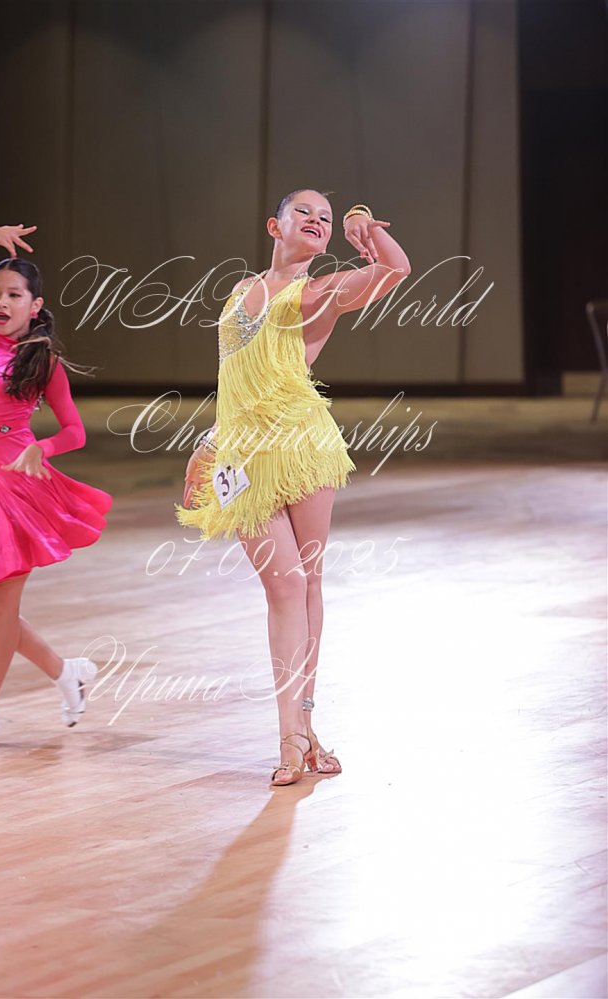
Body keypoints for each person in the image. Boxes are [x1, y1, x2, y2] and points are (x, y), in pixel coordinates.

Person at [175, 190, 410, 785]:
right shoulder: (238, 292)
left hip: (301, 447)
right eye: (304, 212)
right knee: (283, 584)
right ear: (274, 225)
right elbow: (234, 380)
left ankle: (298, 730)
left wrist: (361, 223)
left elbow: (395, 269)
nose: (316, 221)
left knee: (306, 582)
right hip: (240, 455)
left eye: (325, 218)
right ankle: (296, 733)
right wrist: (208, 440)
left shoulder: (320, 291)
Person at [0, 224, 112, 751]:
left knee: (0, 613)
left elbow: (75, 431)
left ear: (34, 306)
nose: (1, 302)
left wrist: (44, 447)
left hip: (19, 490)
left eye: (14, 295)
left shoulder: (41, 360)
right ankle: (67, 672)